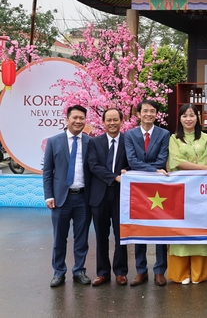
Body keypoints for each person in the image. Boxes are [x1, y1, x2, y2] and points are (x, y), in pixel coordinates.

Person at [167, 103, 207, 284]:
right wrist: (202, 168)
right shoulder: (174, 138)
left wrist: (202, 168)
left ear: (198, 118)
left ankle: (199, 274)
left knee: (201, 228)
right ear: (180, 119)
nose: (188, 119)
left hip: (202, 191)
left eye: (192, 115)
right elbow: (177, 161)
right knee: (181, 230)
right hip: (181, 192)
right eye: (185, 116)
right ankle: (181, 274)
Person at [43, 105, 92, 287]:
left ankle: (79, 271)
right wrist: (49, 196)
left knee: (81, 238)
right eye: (75, 118)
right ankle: (59, 272)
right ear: (67, 119)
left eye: (82, 118)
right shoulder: (54, 141)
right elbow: (47, 171)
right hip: (61, 198)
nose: (78, 121)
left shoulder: (89, 142)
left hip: (83, 198)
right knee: (59, 238)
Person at [124, 99, 170, 287]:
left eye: (152, 111)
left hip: (158, 188)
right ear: (138, 114)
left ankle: (160, 270)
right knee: (140, 227)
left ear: (157, 114)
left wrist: (153, 170)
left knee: (159, 228)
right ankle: (140, 270)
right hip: (138, 188)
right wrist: (152, 170)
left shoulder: (164, 134)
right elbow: (132, 161)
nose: (149, 114)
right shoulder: (129, 135)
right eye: (145, 111)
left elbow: (161, 160)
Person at [87, 108, 130, 286]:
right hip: (100, 195)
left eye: (115, 120)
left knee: (122, 235)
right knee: (101, 236)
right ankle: (103, 272)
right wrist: (114, 177)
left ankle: (120, 272)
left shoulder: (128, 141)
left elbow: (132, 163)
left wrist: (128, 172)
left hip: (121, 195)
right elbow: (93, 165)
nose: (112, 123)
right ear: (103, 122)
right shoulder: (94, 142)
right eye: (109, 120)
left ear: (122, 121)